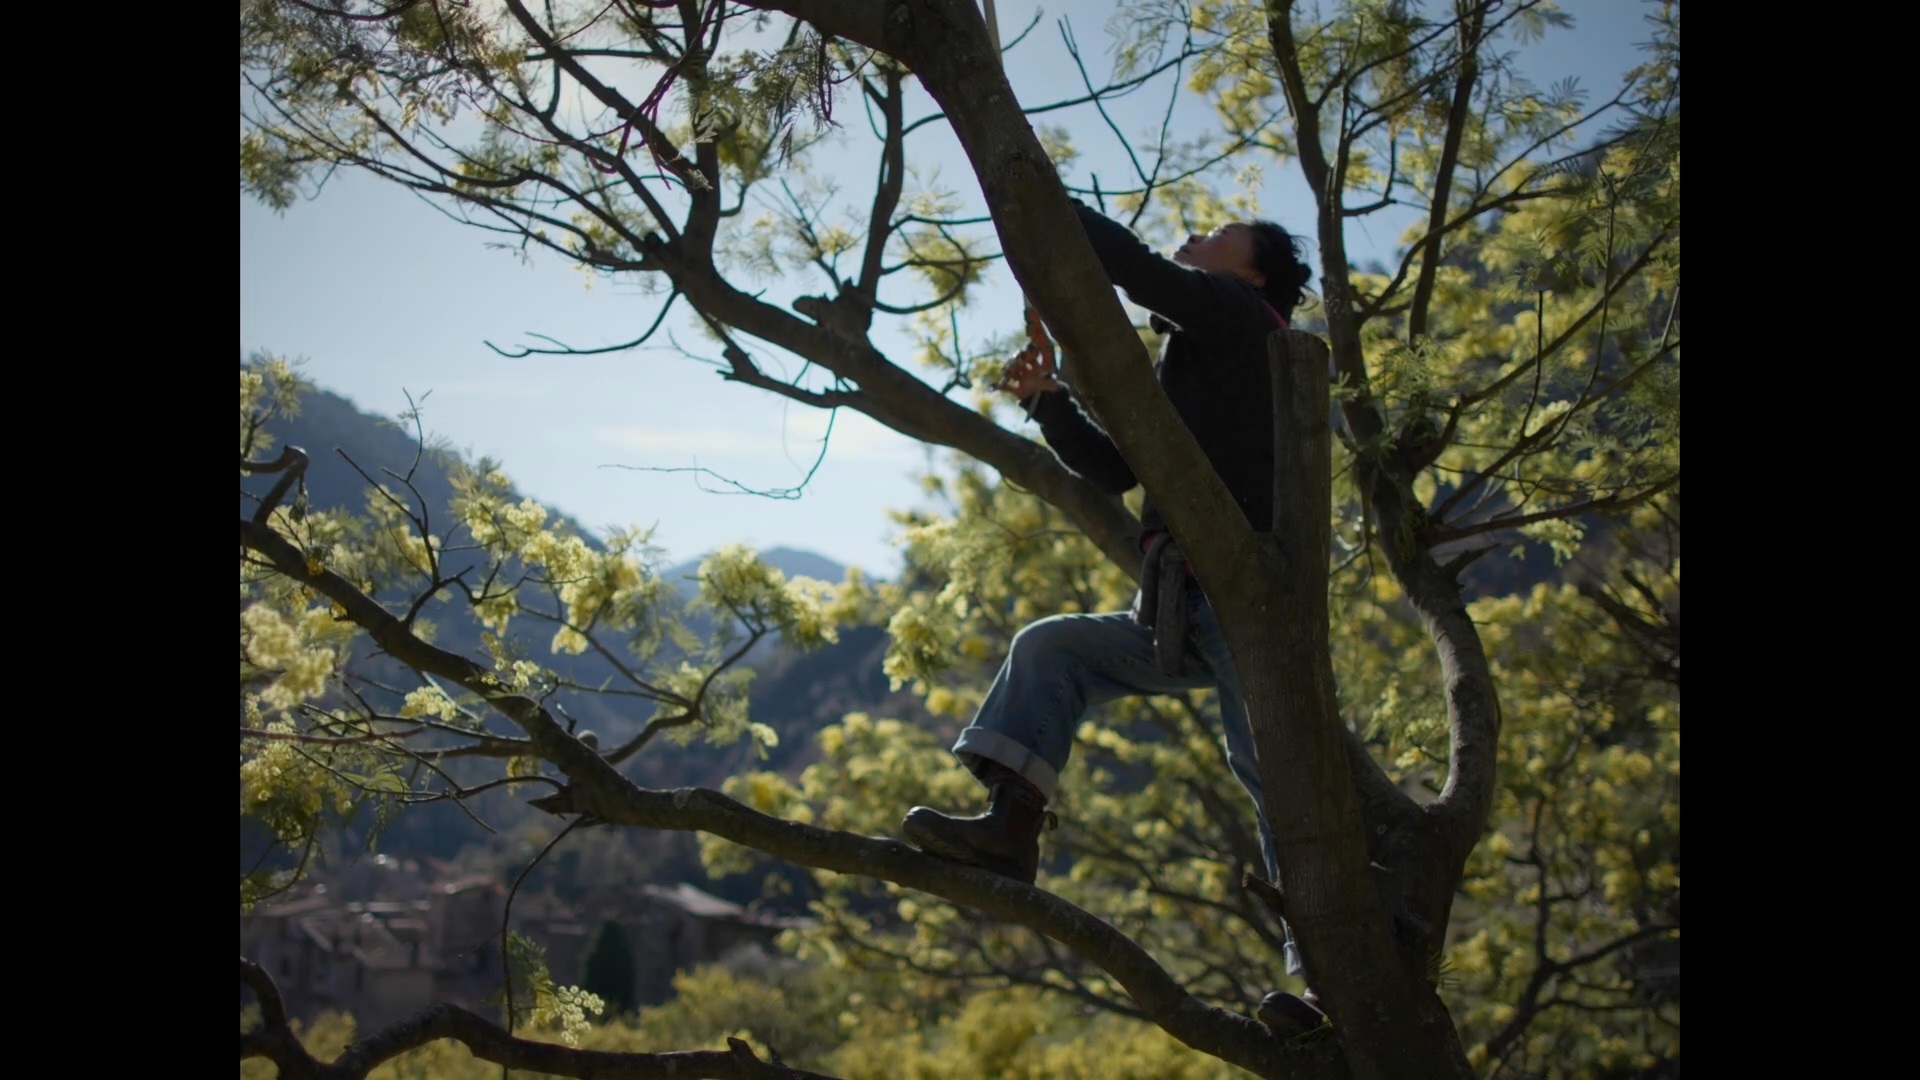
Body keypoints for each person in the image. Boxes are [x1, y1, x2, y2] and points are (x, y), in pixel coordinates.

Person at [898, 198, 1330, 1034]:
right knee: (1052, 649)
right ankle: (1011, 830)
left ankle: (1326, 988)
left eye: (1219, 236)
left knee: (1277, 779)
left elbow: (1134, 266)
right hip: (1182, 608)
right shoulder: (1188, 358)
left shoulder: (1244, 315)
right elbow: (1113, 469)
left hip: (1248, 605)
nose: (1198, 235)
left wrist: (1033, 195)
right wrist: (1049, 398)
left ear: (1252, 272)